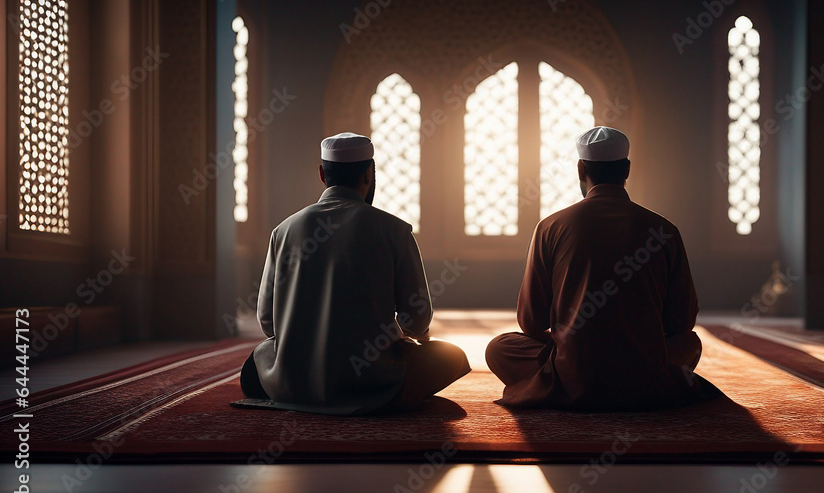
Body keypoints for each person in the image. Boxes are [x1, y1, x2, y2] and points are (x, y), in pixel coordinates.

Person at [485, 127, 717, 411]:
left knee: (500, 347)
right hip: (643, 373)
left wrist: (571, 341)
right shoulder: (664, 230)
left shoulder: (551, 227)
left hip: (573, 373)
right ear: (627, 170)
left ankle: (562, 386)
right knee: (690, 343)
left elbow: (530, 322)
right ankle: (644, 385)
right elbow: (681, 324)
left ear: (581, 169)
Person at [240, 133, 470, 414]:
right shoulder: (395, 230)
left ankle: (297, 393)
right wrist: (403, 336)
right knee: (452, 357)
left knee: (259, 359)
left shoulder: (284, 230)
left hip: (294, 384)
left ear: (322, 173)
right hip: (368, 381)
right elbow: (416, 319)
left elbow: (268, 323)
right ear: (369, 174)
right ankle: (382, 398)